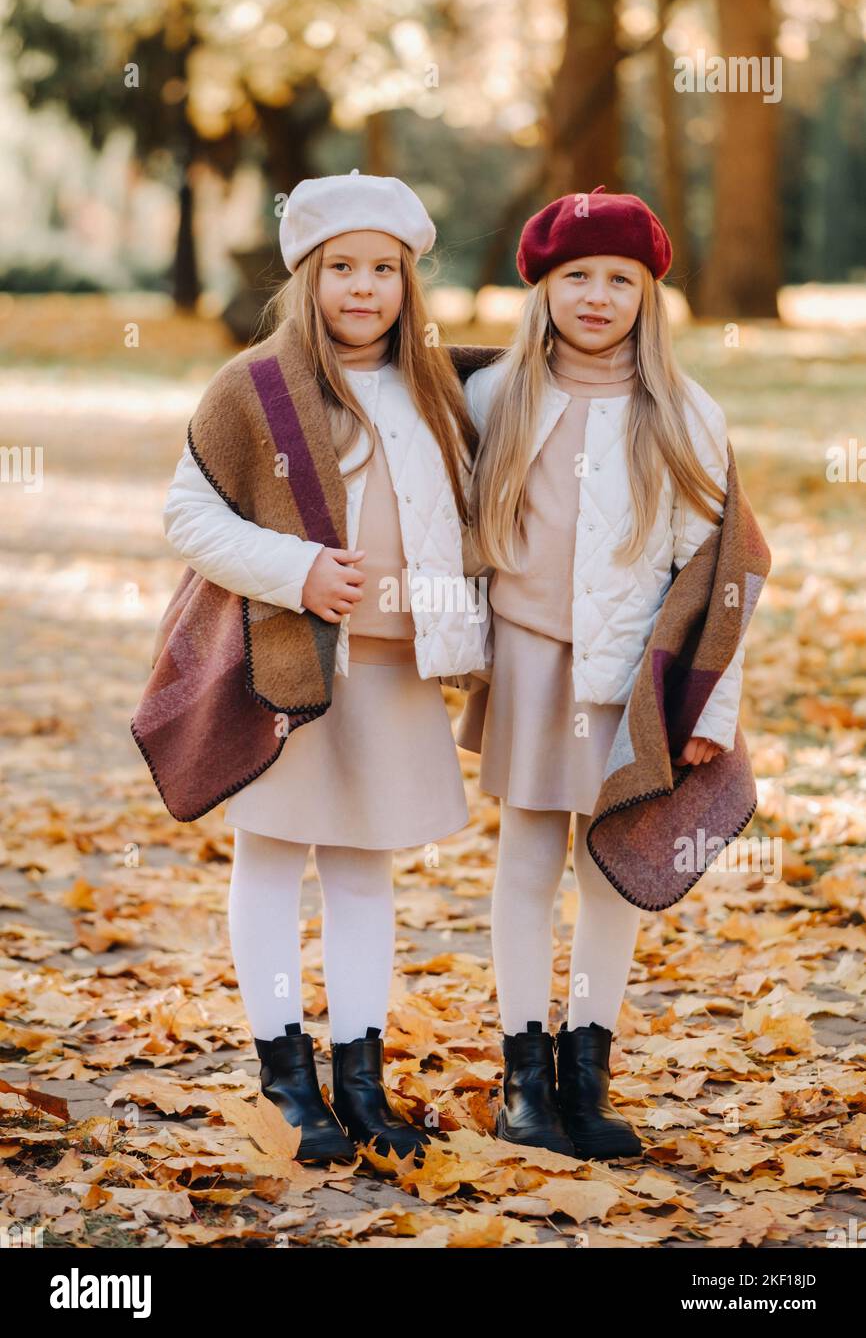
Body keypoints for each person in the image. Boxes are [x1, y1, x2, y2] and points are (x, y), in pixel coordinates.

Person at [161, 171, 489, 1164]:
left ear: (407, 281)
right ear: (305, 276)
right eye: (340, 266)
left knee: (361, 868)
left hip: (394, 666)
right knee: (270, 858)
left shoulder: (439, 386)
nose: (362, 287)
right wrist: (296, 568)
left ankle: (359, 1077)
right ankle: (284, 1074)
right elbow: (187, 516)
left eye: (382, 269)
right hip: (292, 665)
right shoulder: (255, 387)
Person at [459, 184, 747, 1161]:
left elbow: (717, 569)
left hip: (628, 675)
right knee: (526, 860)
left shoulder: (681, 411)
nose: (594, 296)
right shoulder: (495, 397)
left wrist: (711, 699)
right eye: (572, 276)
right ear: (539, 289)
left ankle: (586, 1071)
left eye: (616, 279)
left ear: (646, 294)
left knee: (611, 871)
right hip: (530, 665)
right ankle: (520, 1078)